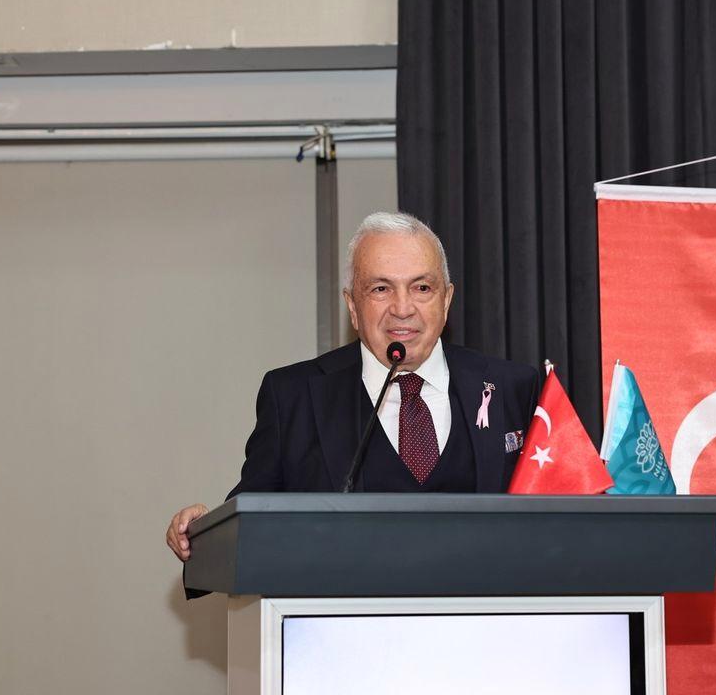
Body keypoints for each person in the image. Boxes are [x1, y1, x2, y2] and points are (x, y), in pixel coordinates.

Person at [166, 212, 539, 561]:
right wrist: (202, 531)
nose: (403, 308)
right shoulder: (293, 397)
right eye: (381, 289)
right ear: (353, 306)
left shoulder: (513, 388)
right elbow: (251, 520)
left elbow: (553, 518)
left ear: (446, 300)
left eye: (422, 287)